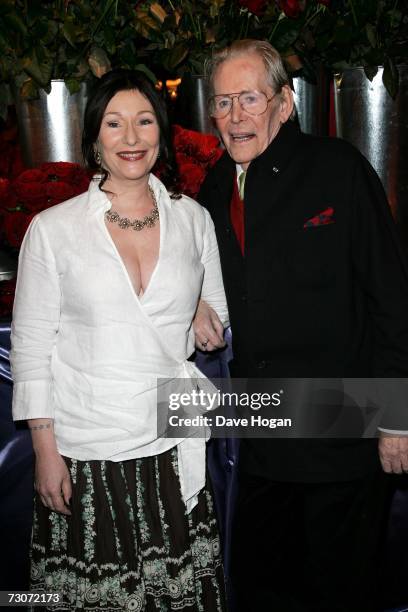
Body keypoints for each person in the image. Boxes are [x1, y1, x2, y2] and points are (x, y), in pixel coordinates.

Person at [195, 39, 408, 612]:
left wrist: (397, 420)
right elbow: (191, 268)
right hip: (265, 434)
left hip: (346, 432)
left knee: (340, 592)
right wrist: (192, 301)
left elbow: (392, 297)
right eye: (222, 102)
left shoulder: (338, 169)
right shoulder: (214, 187)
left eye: (249, 98)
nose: (235, 116)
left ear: (284, 104)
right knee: (263, 588)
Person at [10, 69, 229, 611]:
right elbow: (32, 347)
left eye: (144, 121)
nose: (131, 138)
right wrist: (44, 450)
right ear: (94, 138)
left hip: (170, 444)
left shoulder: (194, 219)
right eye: (115, 123)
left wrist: (201, 308)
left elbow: (217, 317)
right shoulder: (53, 229)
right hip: (86, 447)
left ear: (162, 133)